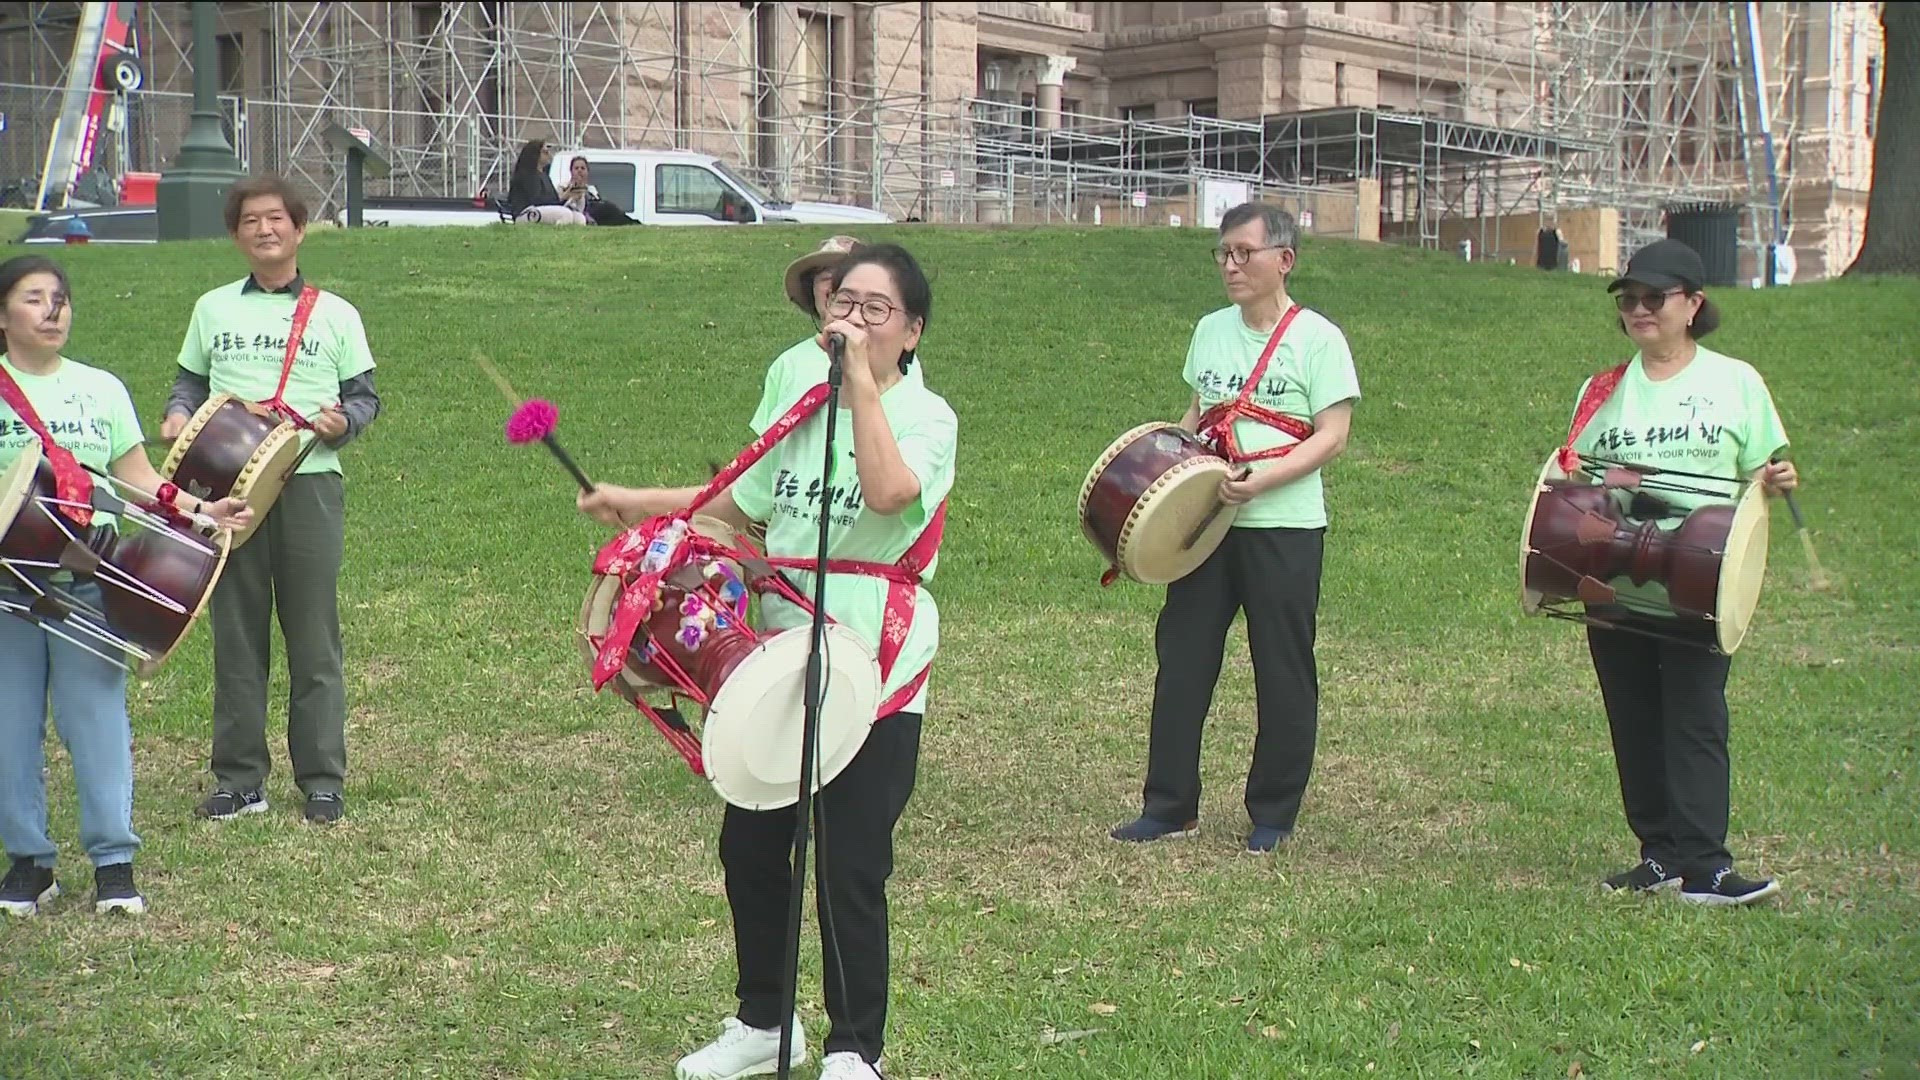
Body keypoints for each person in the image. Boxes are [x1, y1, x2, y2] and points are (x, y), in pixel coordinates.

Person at [577, 244, 956, 1080]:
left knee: (851, 858)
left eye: (873, 310)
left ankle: (856, 1047)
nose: (851, 320)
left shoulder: (930, 419)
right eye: (843, 304)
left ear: (912, 331)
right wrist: (631, 501)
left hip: (874, 658)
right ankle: (763, 1022)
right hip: (779, 650)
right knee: (751, 843)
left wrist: (857, 385)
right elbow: (741, 505)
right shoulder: (796, 393)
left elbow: (892, 494)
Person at [0, 255, 251, 917]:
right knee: (9, 727)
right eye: (34, 298)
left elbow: (137, 477)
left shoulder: (100, 388)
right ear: (3, 315)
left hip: (89, 580)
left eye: (61, 298)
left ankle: (113, 861)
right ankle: (30, 862)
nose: (54, 310)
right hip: (8, 588)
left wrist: (200, 513)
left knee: (96, 723)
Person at [1109, 202, 1360, 854]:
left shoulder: (1319, 339)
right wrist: (1173, 477)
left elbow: (1332, 436)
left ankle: (1272, 813)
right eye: (1222, 253)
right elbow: (1196, 415)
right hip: (1209, 523)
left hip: (1285, 526)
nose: (1230, 265)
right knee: (1183, 657)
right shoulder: (1210, 330)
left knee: (1282, 666)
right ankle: (1168, 805)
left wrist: (1267, 477)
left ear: (1285, 259)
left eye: (1243, 253)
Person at [1564, 238, 1794, 906]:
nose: (1639, 309)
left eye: (1653, 298)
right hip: (1616, 576)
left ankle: (1708, 867)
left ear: (1693, 304)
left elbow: (1765, 470)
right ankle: (1659, 856)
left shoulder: (1736, 382)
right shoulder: (1601, 389)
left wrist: (1777, 477)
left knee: (1695, 715)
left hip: (1702, 576)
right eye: (1629, 299)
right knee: (1633, 715)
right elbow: (1575, 479)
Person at [159, 176, 384, 826]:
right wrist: (178, 414)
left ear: (299, 228)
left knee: (314, 636)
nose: (264, 230)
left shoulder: (336, 313)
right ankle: (238, 779)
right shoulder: (212, 309)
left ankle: (322, 779)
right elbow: (188, 382)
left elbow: (365, 396)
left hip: (310, 482)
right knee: (236, 633)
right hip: (226, 488)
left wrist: (346, 422)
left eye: (276, 219)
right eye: (251, 221)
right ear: (236, 236)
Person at [507, 139, 588, 225]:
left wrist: (568, 196)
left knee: (579, 218)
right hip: (527, 213)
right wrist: (562, 197)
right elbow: (537, 200)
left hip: (541, 211)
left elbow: (552, 202)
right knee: (565, 214)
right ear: (535, 155)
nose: (549, 155)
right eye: (545, 152)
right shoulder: (526, 175)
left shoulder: (544, 175)